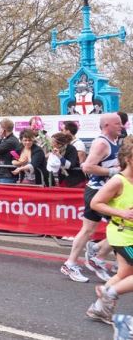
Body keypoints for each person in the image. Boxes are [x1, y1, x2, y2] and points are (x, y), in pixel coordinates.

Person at [62, 112, 123, 283]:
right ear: (106, 126)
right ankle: (97, 255)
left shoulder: (113, 141)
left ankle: (72, 262)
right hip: (98, 192)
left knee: (88, 229)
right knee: (122, 225)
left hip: (103, 191)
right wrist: (113, 171)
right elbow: (87, 167)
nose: (121, 126)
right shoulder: (102, 143)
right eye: (117, 123)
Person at [86, 136, 133, 324]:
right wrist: (121, 213)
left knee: (124, 274)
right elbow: (95, 203)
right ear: (129, 158)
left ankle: (99, 308)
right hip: (122, 234)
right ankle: (109, 293)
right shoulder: (118, 181)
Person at [0, 118, 22, 184]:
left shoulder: (10, 141)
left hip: (7, 176)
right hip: (4, 174)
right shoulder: (8, 139)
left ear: (3, 129)